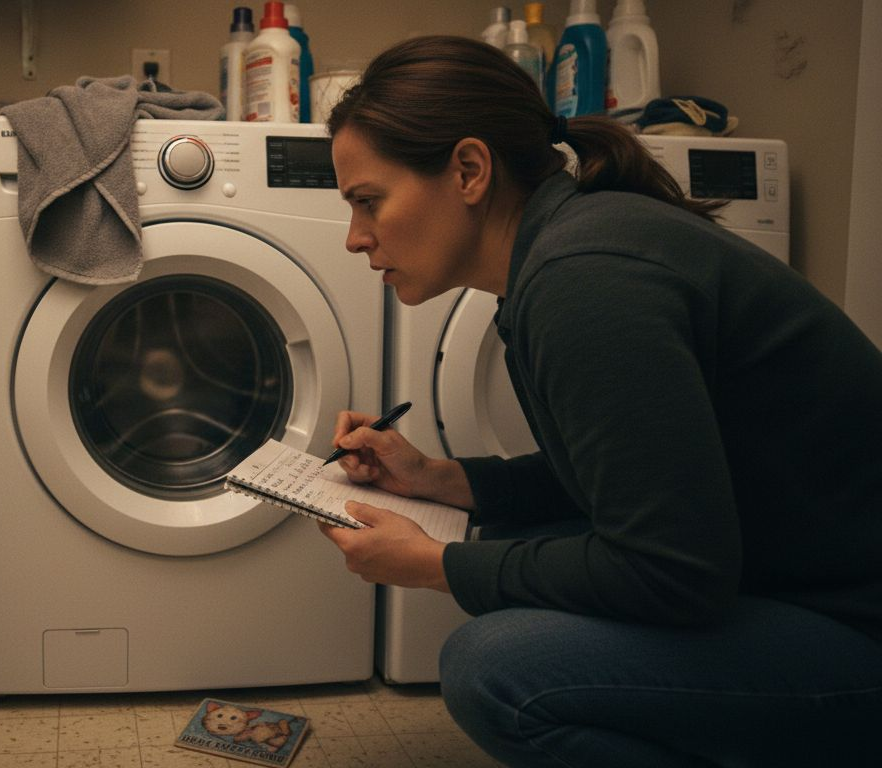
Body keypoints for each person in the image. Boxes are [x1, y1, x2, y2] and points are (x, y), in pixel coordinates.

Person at [318, 35, 882, 767]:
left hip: (857, 629)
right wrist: (435, 480)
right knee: (522, 556)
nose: (356, 239)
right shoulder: (568, 248)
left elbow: (672, 572)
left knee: (495, 667)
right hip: (794, 583)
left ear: (468, 170)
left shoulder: (584, 281)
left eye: (369, 202)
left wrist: (436, 563)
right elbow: (624, 483)